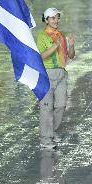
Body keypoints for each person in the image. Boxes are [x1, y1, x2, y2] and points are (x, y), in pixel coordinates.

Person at [35, 8, 76, 149]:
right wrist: (55, 45)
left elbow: (70, 56)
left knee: (61, 105)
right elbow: (41, 56)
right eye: (52, 18)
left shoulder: (61, 35)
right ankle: (45, 140)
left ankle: (51, 132)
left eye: (57, 18)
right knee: (46, 107)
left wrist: (71, 45)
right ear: (46, 20)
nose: (56, 20)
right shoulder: (42, 36)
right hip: (47, 74)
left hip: (62, 74)